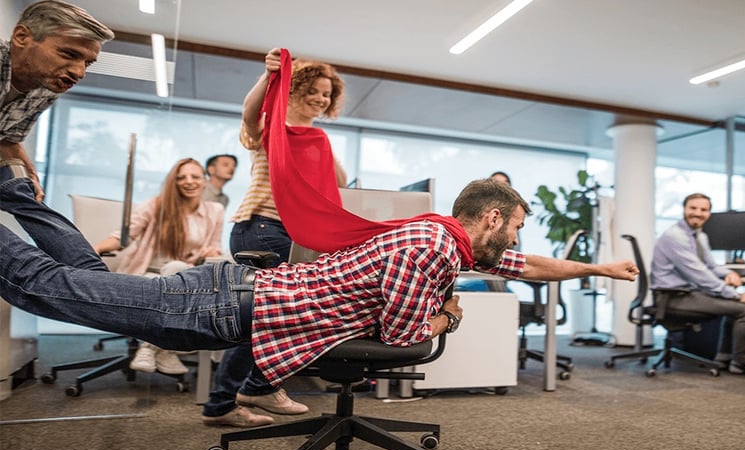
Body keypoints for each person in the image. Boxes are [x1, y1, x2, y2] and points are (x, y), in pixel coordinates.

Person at [0, 173, 639, 417]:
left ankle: (17, 197)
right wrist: (445, 308)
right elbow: (401, 330)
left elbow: (530, 266)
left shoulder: (447, 236)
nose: (518, 242)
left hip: (238, 299)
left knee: (89, 283)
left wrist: (602, 270)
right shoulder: (434, 249)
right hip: (225, 304)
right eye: (518, 226)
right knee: (52, 290)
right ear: (493, 219)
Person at [201, 49, 350, 427]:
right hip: (261, 227)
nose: (320, 99)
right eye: (313, 90)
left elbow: (342, 184)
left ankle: (222, 404)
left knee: (259, 316)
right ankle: (258, 386)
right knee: (293, 309)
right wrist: (269, 78)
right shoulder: (273, 126)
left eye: (326, 94)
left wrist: (322, 151)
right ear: (295, 87)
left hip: (288, 231)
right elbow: (249, 115)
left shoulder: (316, 138)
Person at [93, 158, 225, 375]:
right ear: (173, 181)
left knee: (176, 270)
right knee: (175, 277)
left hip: (183, 276)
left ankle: (150, 346)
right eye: (181, 177)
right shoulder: (156, 205)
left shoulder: (215, 210)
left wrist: (212, 252)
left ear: (205, 181)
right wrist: (96, 247)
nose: (188, 182)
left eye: (195, 176)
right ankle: (165, 349)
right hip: (145, 274)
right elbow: (123, 237)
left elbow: (215, 246)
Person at [650, 193, 745, 377]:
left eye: (703, 209)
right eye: (693, 208)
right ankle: (742, 364)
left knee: (737, 308)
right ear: (684, 209)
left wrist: (728, 273)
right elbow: (699, 274)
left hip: (688, 294)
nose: (698, 213)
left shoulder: (699, 236)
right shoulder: (675, 236)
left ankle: (724, 358)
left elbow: (710, 267)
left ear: (709, 213)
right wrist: (735, 295)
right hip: (672, 298)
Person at [0, 0, 113, 202]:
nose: (79, 72)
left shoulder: (47, 88)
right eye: (69, 54)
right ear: (22, 37)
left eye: (87, 63)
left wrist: (28, 175)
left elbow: (8, 138)